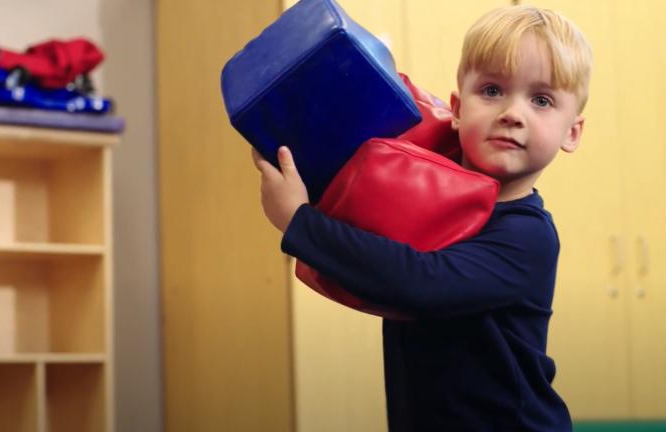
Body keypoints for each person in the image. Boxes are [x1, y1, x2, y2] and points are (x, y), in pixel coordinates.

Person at [251, 4, 592, 431]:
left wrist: (300, 223)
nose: (512, 112)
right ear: (457, 108)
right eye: (491, 90)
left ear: (571, 132)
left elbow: (418, 282)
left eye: (541, 100)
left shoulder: (528, 236)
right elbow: (361, 201)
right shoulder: (430, 193)